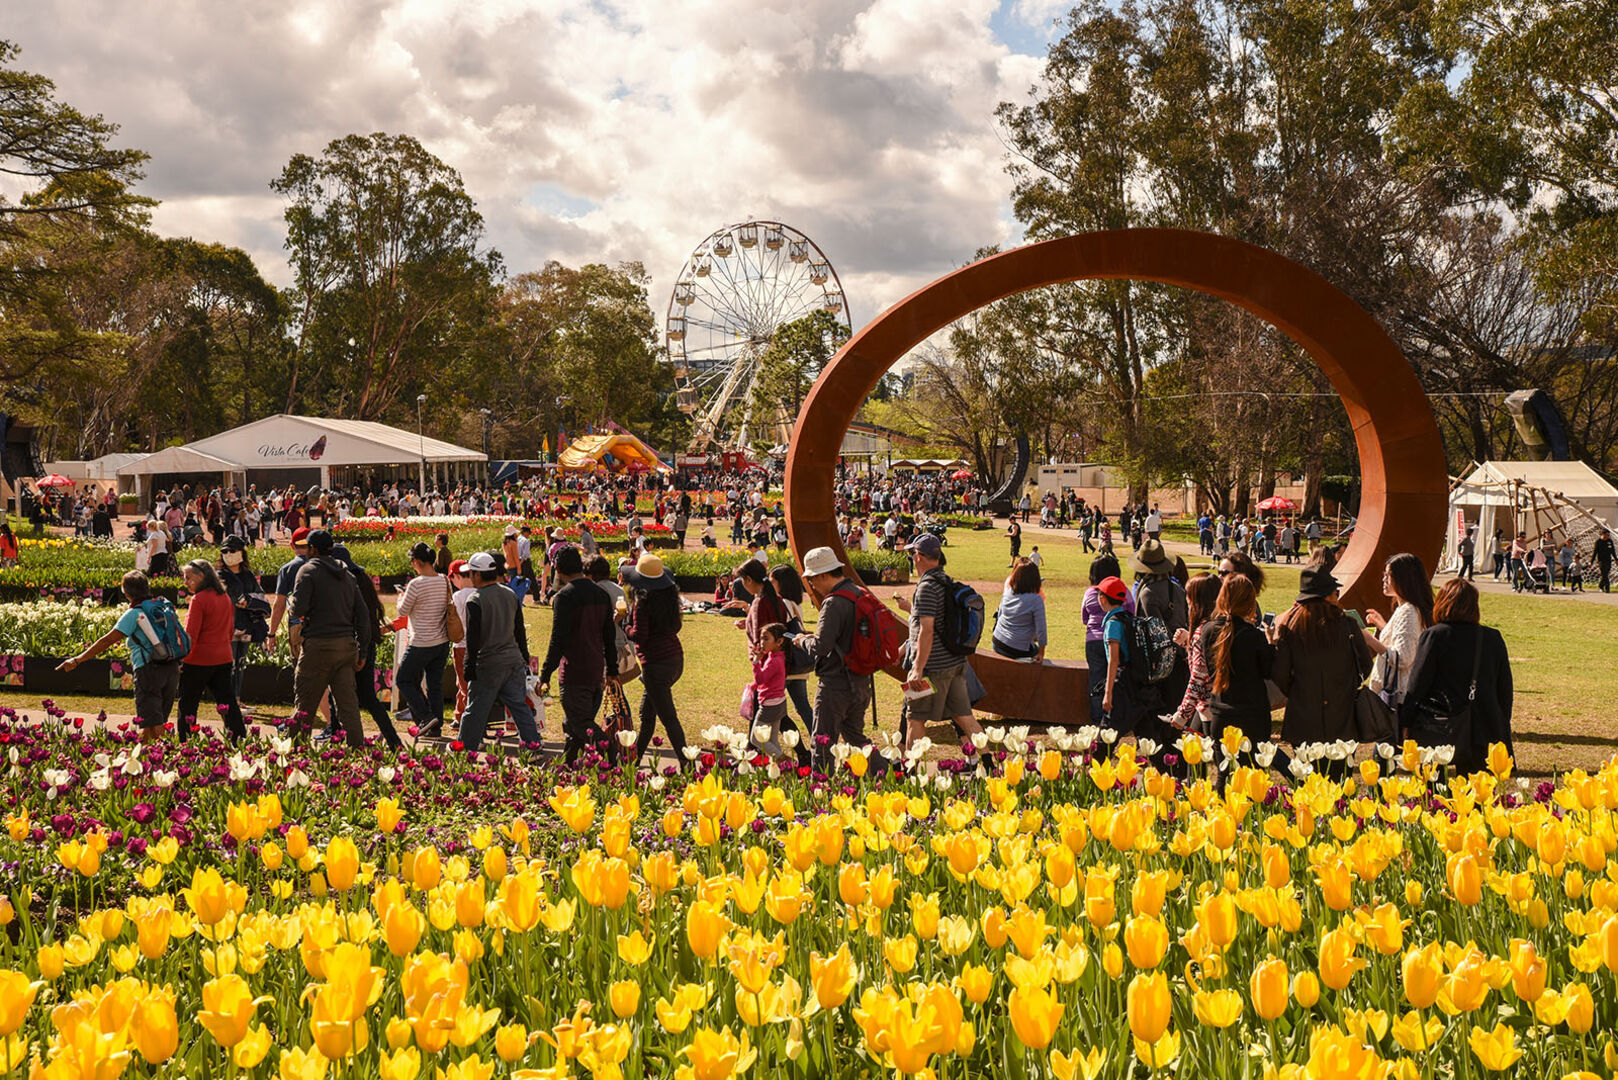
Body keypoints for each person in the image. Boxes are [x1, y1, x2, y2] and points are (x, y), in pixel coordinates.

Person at [1399, 578, 1513, 775]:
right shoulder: (1492, 637)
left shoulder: (1435, 636)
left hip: (1440, 723)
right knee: (1476, 788)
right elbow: (1504, 689)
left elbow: (1417, 684)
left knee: (1434, 784)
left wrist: (1406, 722)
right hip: (1483, 722)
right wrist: (1501, 722)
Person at [58, 571, 181, 741]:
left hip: (149, 670)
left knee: (154, 723)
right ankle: (144, 753)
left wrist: (78, 660)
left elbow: (107, 640)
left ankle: (167, 754)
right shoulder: (162, 607)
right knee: (151, 721)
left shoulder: (135, 613)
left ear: (126, 592)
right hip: (171, 669)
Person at [1269, 567, 1371, 765]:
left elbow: (1280, 673)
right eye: (1335, 592)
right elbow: (1365, 665)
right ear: (1326, 596)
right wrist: (1346, 686)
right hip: (1342, 714)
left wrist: (1298, 690)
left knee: (1307, 775)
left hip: (1304, 715)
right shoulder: (1348, 625)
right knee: (1340, 775)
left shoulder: (1291, 628)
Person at [893, 533, 983, 751]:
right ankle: (990, 762)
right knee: (965, 718)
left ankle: (912, 767)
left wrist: (917, 669)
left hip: (932, 668)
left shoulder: (926, 587)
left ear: (919, 556)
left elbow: (927, 630)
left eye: (912, 554)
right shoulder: (945, 581)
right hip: (955, 663)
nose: (912, 559)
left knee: (914, 719)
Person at [538, 545, 619, 763]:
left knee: (580, 723)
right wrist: (612, 670)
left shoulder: (565, 597)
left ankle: (611, 752)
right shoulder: (601, 594)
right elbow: (609, 636)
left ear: (557, 569)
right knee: (573, 723)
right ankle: (567, 766)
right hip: (596, 669)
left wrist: (545, 674)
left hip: (574, 671)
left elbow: (558, 640)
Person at [289, 530, 370, 746]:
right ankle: (358, 752)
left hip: (318, 646)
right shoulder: (348, 575)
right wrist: (363, 651)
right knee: (348, 707)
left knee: (305, 704)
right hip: (346, 647)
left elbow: (298, 609)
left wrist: (292, 603)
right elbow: (363, 616)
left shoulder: (307, 571)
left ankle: (295, 753)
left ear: (313, 549)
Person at [796, 546, 871, 771]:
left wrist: (802, 640)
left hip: (835, 684)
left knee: (822, 741)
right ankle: (882, 774)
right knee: (856, 739)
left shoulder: (833, 602)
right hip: (861, 681)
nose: (812, 585)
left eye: (812, 579)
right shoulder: (859, 593)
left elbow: (821, 646)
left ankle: (820, 786)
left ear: (823, 575)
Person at [459, 551, 541, 753]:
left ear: (478, 574)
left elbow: (473, 639)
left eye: (470, 573)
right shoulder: (510, 594)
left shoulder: (475, 599)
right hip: (513, 660)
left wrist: (469, 665)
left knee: (475, 709)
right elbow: (519, 630)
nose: (470, 577)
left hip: (488, 663)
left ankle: (465, 747)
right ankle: (533, 746)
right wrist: (524, 656)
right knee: (519, 706)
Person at [621, 553, 689, 768]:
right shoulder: (670, 598)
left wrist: (623, 624)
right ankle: (633, 760)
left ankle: (687, 765)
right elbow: (676, 626)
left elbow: (639, 636)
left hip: (655, 664)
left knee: (668, 718)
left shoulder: (642, 603)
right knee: (647, 714)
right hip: (675, 660)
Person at [332, 543, 402, 750]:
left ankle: (339, 738)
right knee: (368, 696)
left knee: (338, 692)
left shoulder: (344, 582)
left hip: (347, 642)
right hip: (367, 641)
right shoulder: (362, 580)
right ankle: (393, 740)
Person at [171, 558, 249, 742]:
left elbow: (191, 635)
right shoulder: (224, 597)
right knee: (228, 702)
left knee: (188, 705)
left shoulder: (199, 599)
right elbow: (230, 630)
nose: (185, 582)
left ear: (202, 577)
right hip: (222, 657)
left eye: (188, 577)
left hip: (198, 660)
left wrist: (181, 659)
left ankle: (186, 742)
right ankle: (239, 739)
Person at [1199, 575, 1275, 760]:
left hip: (1221, 711)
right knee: (1253, 771)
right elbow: (1268, 671)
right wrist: (1271, 643)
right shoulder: (1253, 636)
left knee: (1224, 771)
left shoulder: (1208, 631)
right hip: (1252, 714)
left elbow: (1210, 670)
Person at [394, 542, 453, 738]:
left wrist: (400, 597)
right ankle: (435, 726)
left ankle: (426, 717)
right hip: (441, 641)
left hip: (421, 642)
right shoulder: (444, 580)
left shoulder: (416, 584)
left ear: (417, 561)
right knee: (435, 685)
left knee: (403, 680)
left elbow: (403, 611)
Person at [1363, 552, 1434, 710]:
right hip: (1400, 694)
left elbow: (1402, 658)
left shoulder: (1408, 611)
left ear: (1404, 579)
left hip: (1397, 697)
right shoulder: (1408, 608)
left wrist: (1370, 640)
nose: (1384, 579)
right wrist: (1383, 626)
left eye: (1388, 575)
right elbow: (1406, 640)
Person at [1169, 573, 1224, 729]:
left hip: (1209, 708)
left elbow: (1198, 677)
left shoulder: (1201, 632)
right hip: (1223, 704)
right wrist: (1189, 644)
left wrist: (1182, 714)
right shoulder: (1222, 625)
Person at [217, 536, 270, 699]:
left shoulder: (248, 576)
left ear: (241, 553)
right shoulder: (218, 576)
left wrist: (249, 602)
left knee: (241, 664)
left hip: (246, 624)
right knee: (229, 665)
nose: (228, 554)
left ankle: (237, 699)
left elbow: (261, 597)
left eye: (232, 550)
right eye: (224, 551)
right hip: (227, 627)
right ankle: (229, 701)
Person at [1093, 575, 1133, 740]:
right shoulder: (1128, 618)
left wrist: (1108, 693)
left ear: (1102, 598)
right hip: (1135, 680)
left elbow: (1113, 660)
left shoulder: (1112, 624)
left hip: (1120, 682)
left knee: (1106, 735)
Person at [746, 623, 790, 758]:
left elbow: (761, 678)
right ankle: (783, 767)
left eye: (766, 639)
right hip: (779, 703)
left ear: (779, 642)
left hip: (770, 705)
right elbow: (769, 679)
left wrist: (756, 662)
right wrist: (755, 685)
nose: (762, 642)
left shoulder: (774, 661)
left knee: (755, 738)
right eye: (761, 638)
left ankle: (782, 759)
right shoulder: (777, 656)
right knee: (772, 740)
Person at [992, 559, 1046, 662]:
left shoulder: (1008, 592)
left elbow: (1000, 615)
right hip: (1017, 649)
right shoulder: (1036, 600)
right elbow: (1041, 630)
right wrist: (1041, 653)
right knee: (1034, 652)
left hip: (997, 641)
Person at [447, 560, 475, 723]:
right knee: (465, 683)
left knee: (464, 684)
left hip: (461, 645)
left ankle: (466, 718)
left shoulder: (457, 596)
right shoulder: (480, 593)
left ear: (457, 576)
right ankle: (459, 714)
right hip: (478, 645)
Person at [1595, 528, 1614, 594]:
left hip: (1608, 560)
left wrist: (1616, 559)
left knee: (1605, 574)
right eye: (1606, 535)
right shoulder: (1598, 542)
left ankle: (1600, 586)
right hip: (1601, 561)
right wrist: (1591, 562)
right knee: (1604, 574)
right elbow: (1595, 552)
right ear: (1602, 534)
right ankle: (1607, 588)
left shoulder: (1610, 541)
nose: (1607, 536)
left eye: (1608, 535)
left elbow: (1613, 551)